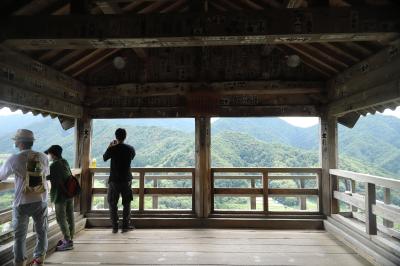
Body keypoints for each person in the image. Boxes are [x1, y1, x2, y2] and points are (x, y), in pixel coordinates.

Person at [0, 129, 49, 266]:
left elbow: (1, 176)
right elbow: (46, 173)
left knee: (19, 237)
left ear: (20, 142)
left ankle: (20, 262)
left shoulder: (14, 158)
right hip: (41, 199)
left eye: (16, 140)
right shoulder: (43, 157)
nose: (15, 142)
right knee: (42, 231)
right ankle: (39, 260)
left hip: (22, 202)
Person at [103, 128, 136, 233]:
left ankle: (115, 227)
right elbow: (132, 157)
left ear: (116, 136)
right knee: (127, 203)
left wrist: (110, 146)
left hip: (114, 180)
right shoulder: (130, 149)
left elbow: (104, 158)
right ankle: (125, 226)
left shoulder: (112, 149)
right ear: (125, 136)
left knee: (112, 203)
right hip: (126, 180)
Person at [45, 145, 74, 251]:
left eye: (49, 154)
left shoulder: (54, 166)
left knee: (60, 218)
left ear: (52, 154)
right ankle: (70, 238)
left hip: (60, 195)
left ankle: (67, 241)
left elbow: (44, 176)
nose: (48, 156)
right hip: (70, 193)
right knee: (70, 216)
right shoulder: (65, 161)